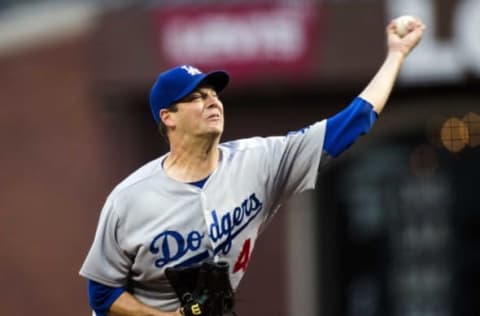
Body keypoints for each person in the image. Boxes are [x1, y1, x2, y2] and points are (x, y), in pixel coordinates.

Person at [79, 17, 426, 316]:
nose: (212, 100)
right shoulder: (130, 199)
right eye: (196, 97)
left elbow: (353, 123)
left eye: (213, 93)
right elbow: (102, 295)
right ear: (167, 117)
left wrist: (396, 55)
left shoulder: (258, 161)